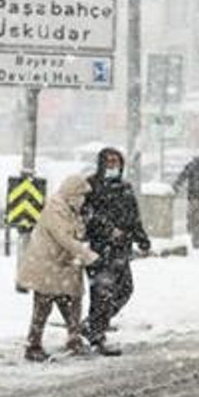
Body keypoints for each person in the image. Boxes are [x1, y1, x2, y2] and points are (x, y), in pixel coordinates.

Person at [16, 174, 99, 363]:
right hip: (48, 265)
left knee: (70, 302)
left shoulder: (71, 210)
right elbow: (64, 238)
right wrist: (87, 256)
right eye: (81, 196)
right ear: (71, 194)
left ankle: (73, 339)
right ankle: (34, 345)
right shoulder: (55, 208)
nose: (83, 200)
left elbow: (78, 233)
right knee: (44, 305)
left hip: (63, 266)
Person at [83, 147, 151, 356]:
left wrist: (142, 239)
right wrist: (107, 230)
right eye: (109, 161)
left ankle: (93, 324)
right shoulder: (91, 186)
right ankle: (97, 334)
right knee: (102, 293)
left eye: (116, 161)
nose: (113, 165)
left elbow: (133, 216)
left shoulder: (124, 188)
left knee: (124, 290)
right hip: (100, 249)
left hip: (121, 250)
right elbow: (87, 215)